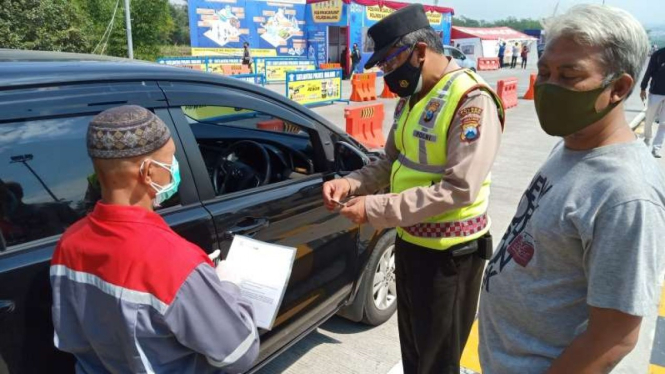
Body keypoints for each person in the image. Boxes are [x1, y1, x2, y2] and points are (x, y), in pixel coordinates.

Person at [479, 5, 665, 374]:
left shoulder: (626, 195)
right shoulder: (571, 145)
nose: (549, 87)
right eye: (545, 73)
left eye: (569, 75)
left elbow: (614, 337)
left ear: (619, 88)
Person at [322, 5, 504, 373]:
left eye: (390, 65)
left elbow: (459, 189)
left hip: (451, 257)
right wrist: (352, 182)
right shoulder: (411, 99)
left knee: (437, 361)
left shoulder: (471, 100)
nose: (388, 76)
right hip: (411, 244)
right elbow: (391, 161)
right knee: (415, 353)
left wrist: (374, 209)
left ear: (420, 52)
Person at [50, 105, 259, 373]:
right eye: (171, 157)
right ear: (148, 172)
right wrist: (227, 286)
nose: (175, 166)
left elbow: (73, 338)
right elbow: (237, 354)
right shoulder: (175, 263)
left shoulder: (69, 242)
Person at [640, 45, 665, 157]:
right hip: (656, 92)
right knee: (649, 118)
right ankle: (647, 139)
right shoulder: (658, 54)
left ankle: (656, 148)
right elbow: (649, 71)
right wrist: (643, 88)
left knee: (664, 123)